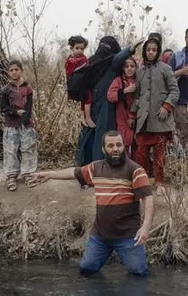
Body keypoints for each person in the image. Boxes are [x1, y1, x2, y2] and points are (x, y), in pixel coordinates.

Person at [32, 131, 154, 278]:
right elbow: (74, 172)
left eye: (118, 145)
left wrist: (145, 227)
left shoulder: (135, 170)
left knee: (139, 273)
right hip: (101, 236)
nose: (115, 149)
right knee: (86, 269)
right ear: (103, 149)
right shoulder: (96, 168)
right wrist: (49, 174)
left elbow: (148, 198)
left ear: (123, 146)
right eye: (110, 146)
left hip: (128, 236)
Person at [130, 34, 179, 191]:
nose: (151, 52)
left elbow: (174, 90)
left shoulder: (166, 69)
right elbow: (137, 96)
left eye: (154, 50)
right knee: (141, 153)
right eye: (149, 49)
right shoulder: (140, 71)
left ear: (158, 52)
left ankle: (159, 182)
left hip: (160, 119)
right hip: (143, 119)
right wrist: (132, 114)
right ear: (145, 51)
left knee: (160, 154)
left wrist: (166, 106)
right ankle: (142, 182)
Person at [75, 36, 121, 166]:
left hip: (94, 104)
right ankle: (97, 166)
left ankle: (89, 165)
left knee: (94, 133)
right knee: (101, 133)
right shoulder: (106, 63)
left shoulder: (97, 62)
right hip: (98, 105)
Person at [1, 59, 37, 190]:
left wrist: (25, 120)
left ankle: (28, 173)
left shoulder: (28, 88)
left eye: (16, 69)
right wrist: (16, 112)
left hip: (26, 124)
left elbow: (29, 106)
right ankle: (11, 176)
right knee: (10, 150)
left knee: (28, 148)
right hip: (11, 124)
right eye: (11, 70)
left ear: (21, 70)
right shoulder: (6, 89)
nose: (14, 72)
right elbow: (3, 107)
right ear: (8, 73)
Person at [107, 52, 138, 158]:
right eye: (126, 66)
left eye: (132, 66)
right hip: (121, 119)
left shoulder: (139, 81)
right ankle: (123, 167)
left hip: (136, 118)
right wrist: (125, 91)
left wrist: (132, 116)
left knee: (136, 144)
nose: (129, 69)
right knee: (122, 142)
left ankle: (134, 168)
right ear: (123, 68)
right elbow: (110, 96)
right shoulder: (118, 80)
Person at [65, 35, 93, 133]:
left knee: (85, 99)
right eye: (77, 48)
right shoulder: (71, 61)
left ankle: (84, 117)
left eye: (82, 49)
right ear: (72, 48)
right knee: (86, 98)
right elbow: (69, 73)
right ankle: (86, 117)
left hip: (83, 83)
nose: (79, 51)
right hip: (76, 85)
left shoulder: (84, 59)